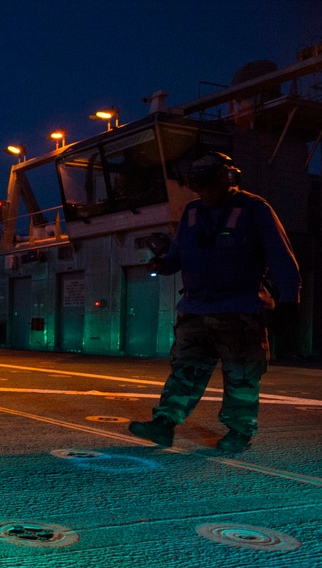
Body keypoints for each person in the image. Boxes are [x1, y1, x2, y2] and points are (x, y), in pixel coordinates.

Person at [128, 153, 301, 453]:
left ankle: (239, 432)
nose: (204, 193)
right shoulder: (192, 212)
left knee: (242, 374)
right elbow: (178, 255)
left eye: (209, 185)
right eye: (199, 186)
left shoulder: (254, 209)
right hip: (195, 310)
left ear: (228, 180)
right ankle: (164, 424)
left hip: (240, 310)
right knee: (185, 371)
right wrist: (163, 263)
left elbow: (280, 255)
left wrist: (290, 299)